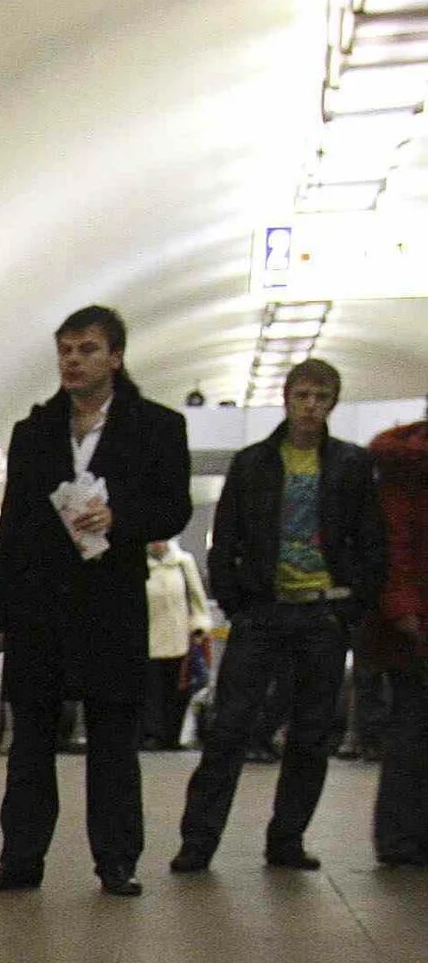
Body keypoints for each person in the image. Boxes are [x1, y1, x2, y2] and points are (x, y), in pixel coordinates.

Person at [0, 304, 192, 897]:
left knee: (114, 739)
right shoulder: (34, 431)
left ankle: (116, 861)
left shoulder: (158, 427)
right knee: (32, 740)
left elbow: (175, 508)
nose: (73, 361)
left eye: (87, 350)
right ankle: (20, 859)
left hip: (112, 605)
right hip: (39, 606)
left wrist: (122, 517)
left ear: (116, 357)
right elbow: (14, 522)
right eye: (65, 350)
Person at [174, 357, 386, 873]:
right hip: (262, 613)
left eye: (321, 397)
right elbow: (225, 538)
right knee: (229, 729)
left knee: (311, 734)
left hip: (324, 614)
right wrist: (237, 599)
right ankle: (198, 842)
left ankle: (287, 840)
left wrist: (353, 604)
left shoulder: (351, 465)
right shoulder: (253, 463)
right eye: (302, 396)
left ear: (332, 404)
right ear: (287, 399)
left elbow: (372, 540)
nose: (310, 406)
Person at [373, 418, 428, 866]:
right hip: (417, 622)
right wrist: (403, 606)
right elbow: (396, 542)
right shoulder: (406, 465)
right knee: (411, 728)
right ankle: (401, 839)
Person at [141, 537, 213, 750]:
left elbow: (197, 599)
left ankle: (171, 735)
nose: (157, 544)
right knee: (151, 690)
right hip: (148, 640)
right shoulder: (139, 564)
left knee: (178, 689)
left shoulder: (183, 563)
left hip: (179, 639)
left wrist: (200, 626)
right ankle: (151, 734)